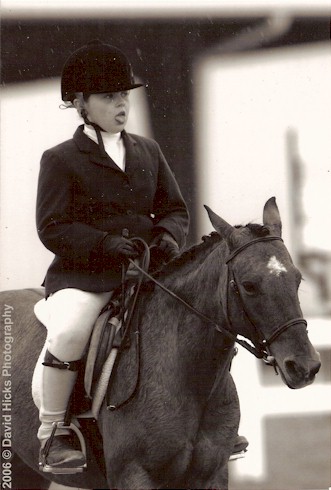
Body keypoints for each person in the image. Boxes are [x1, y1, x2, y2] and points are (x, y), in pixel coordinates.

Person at [33, 39, 190, 472]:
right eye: (108, 97)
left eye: (123, 95)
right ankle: (53, 433)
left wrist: (165, 237)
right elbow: (52, 225)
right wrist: (102, 243)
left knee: (195, 322)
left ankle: (210, 420)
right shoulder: (61, 159)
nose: (121, 104)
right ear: (81, 103)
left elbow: (175, 208)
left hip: (144, 271)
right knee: (67, 331)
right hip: (86, 276)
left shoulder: (147, 150)